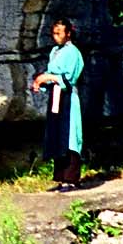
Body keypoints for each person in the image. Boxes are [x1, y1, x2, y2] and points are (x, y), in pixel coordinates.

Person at [32, 17, 85, 190]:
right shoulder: (55, 50)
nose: (56, 37)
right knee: (57, 135)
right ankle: (61, 177)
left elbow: (69, 77)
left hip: (67, 96)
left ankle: (72, 178)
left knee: (70, 135)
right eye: (54, 33)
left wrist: (48, 77)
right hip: (56, 96)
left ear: (68, 34)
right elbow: (51, 72)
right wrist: (41, 81)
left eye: (59, 33)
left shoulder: (73, 52)